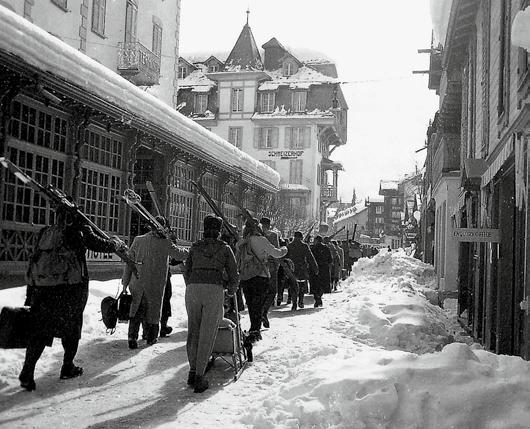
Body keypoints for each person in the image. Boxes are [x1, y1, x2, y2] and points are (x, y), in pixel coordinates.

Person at [20, 205, 124, 391]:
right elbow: (98, 244)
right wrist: (115, 244)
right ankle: (67, 366)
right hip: (69, 291)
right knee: (72, 329)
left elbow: (36, 260)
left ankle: (28, 371)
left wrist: (31, 295)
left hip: (43, 291)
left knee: (40, 331)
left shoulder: (46, 232)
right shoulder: (77, 231)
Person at [183, 214, 239, 393]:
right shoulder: (224, 248)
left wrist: (193, 285)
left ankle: (192, 371)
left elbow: (187, 269)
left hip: (193, 288)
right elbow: (233, 273)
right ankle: (200, 376)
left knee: (193, 331)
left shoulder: (195, 247)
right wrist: (231, 289)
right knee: (208, 332)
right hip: (213, 288)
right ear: (219, 231)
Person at [122, 216, 188, 349]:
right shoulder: (165, 243)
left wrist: (125, 282)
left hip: (137, 282)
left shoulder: (138, 240)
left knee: (136, 310)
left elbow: (129, 262)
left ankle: (132, 337)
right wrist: (193, 251)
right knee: (153, 310)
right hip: (155, 283)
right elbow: (179, 254)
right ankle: (151, 337)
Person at [236, 218, 287, 342]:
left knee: (251, 304)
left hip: (246, 277)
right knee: (258, 304)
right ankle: (255, 330)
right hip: (261, 276)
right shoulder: (262, 240)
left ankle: (253, 327)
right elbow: (276, 253)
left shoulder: (241, 242)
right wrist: (285, 249)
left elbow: (238, 260)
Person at [287, 231, 318, 309]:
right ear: (301, 237)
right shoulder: (304, 246)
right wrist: (315, 267)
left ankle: (294, 303)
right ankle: (300, 301)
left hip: (292, 268)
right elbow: (310, 257)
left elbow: (286, 257)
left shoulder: (290, 245)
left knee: (293, 285)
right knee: (301, 285)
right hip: (302, 268)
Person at [259, 217, 280, 328]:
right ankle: (264, 312)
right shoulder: (273, 235)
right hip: (270, 266)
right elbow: (276, 250)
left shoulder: (257, 234)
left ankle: (259, 315)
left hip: (258, 266)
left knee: (260, 292)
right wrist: (276, 265)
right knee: (272, 291)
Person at [310, 235, 333, 307]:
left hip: (315, 268)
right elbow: (330, 259)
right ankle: (319, 297)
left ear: (316, 240)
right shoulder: (326, 248)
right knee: (322, 285)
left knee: (315, 284)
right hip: (324, 269)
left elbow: (310, 259)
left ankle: (317, 298)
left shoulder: (313, 248)